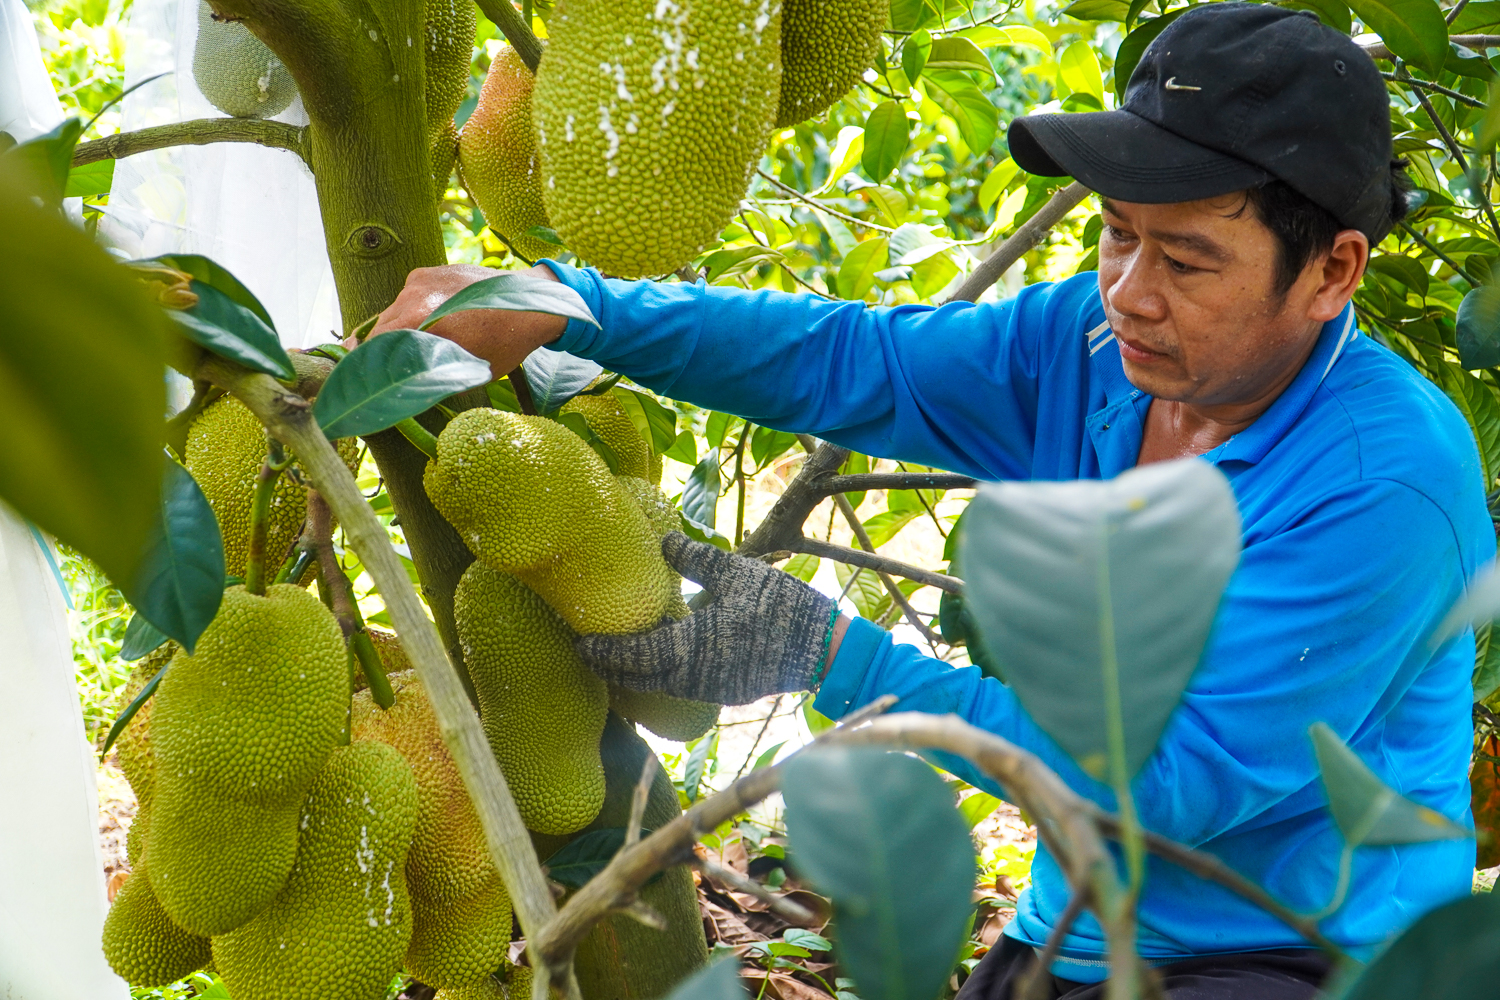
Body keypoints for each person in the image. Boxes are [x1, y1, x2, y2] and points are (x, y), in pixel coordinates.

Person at [370, 5, 1492, 997]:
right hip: (1077, 933)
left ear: (1334, 270)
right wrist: (569, 306)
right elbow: (855, 363)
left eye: (1187, 261)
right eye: (1114, 233)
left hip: (1303, 957)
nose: (1131, 293)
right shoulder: (1096, 344)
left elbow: (1157, 794)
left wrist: (831, 653)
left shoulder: (1380, 487)